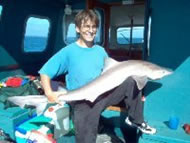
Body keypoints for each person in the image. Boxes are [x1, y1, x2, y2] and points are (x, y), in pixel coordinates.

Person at [39, 9, 156, 143]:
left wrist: (135, 93)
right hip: (82, 101)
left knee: (131, 81)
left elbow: (110, 72)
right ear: (77, 29)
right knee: (85, 139)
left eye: (94, 27)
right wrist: (48, 92)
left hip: (102, 95)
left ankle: (135, 120)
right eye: (86, 26)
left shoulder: (100, 51)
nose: (91, 30)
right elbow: (45, 71)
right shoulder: (68, 52)